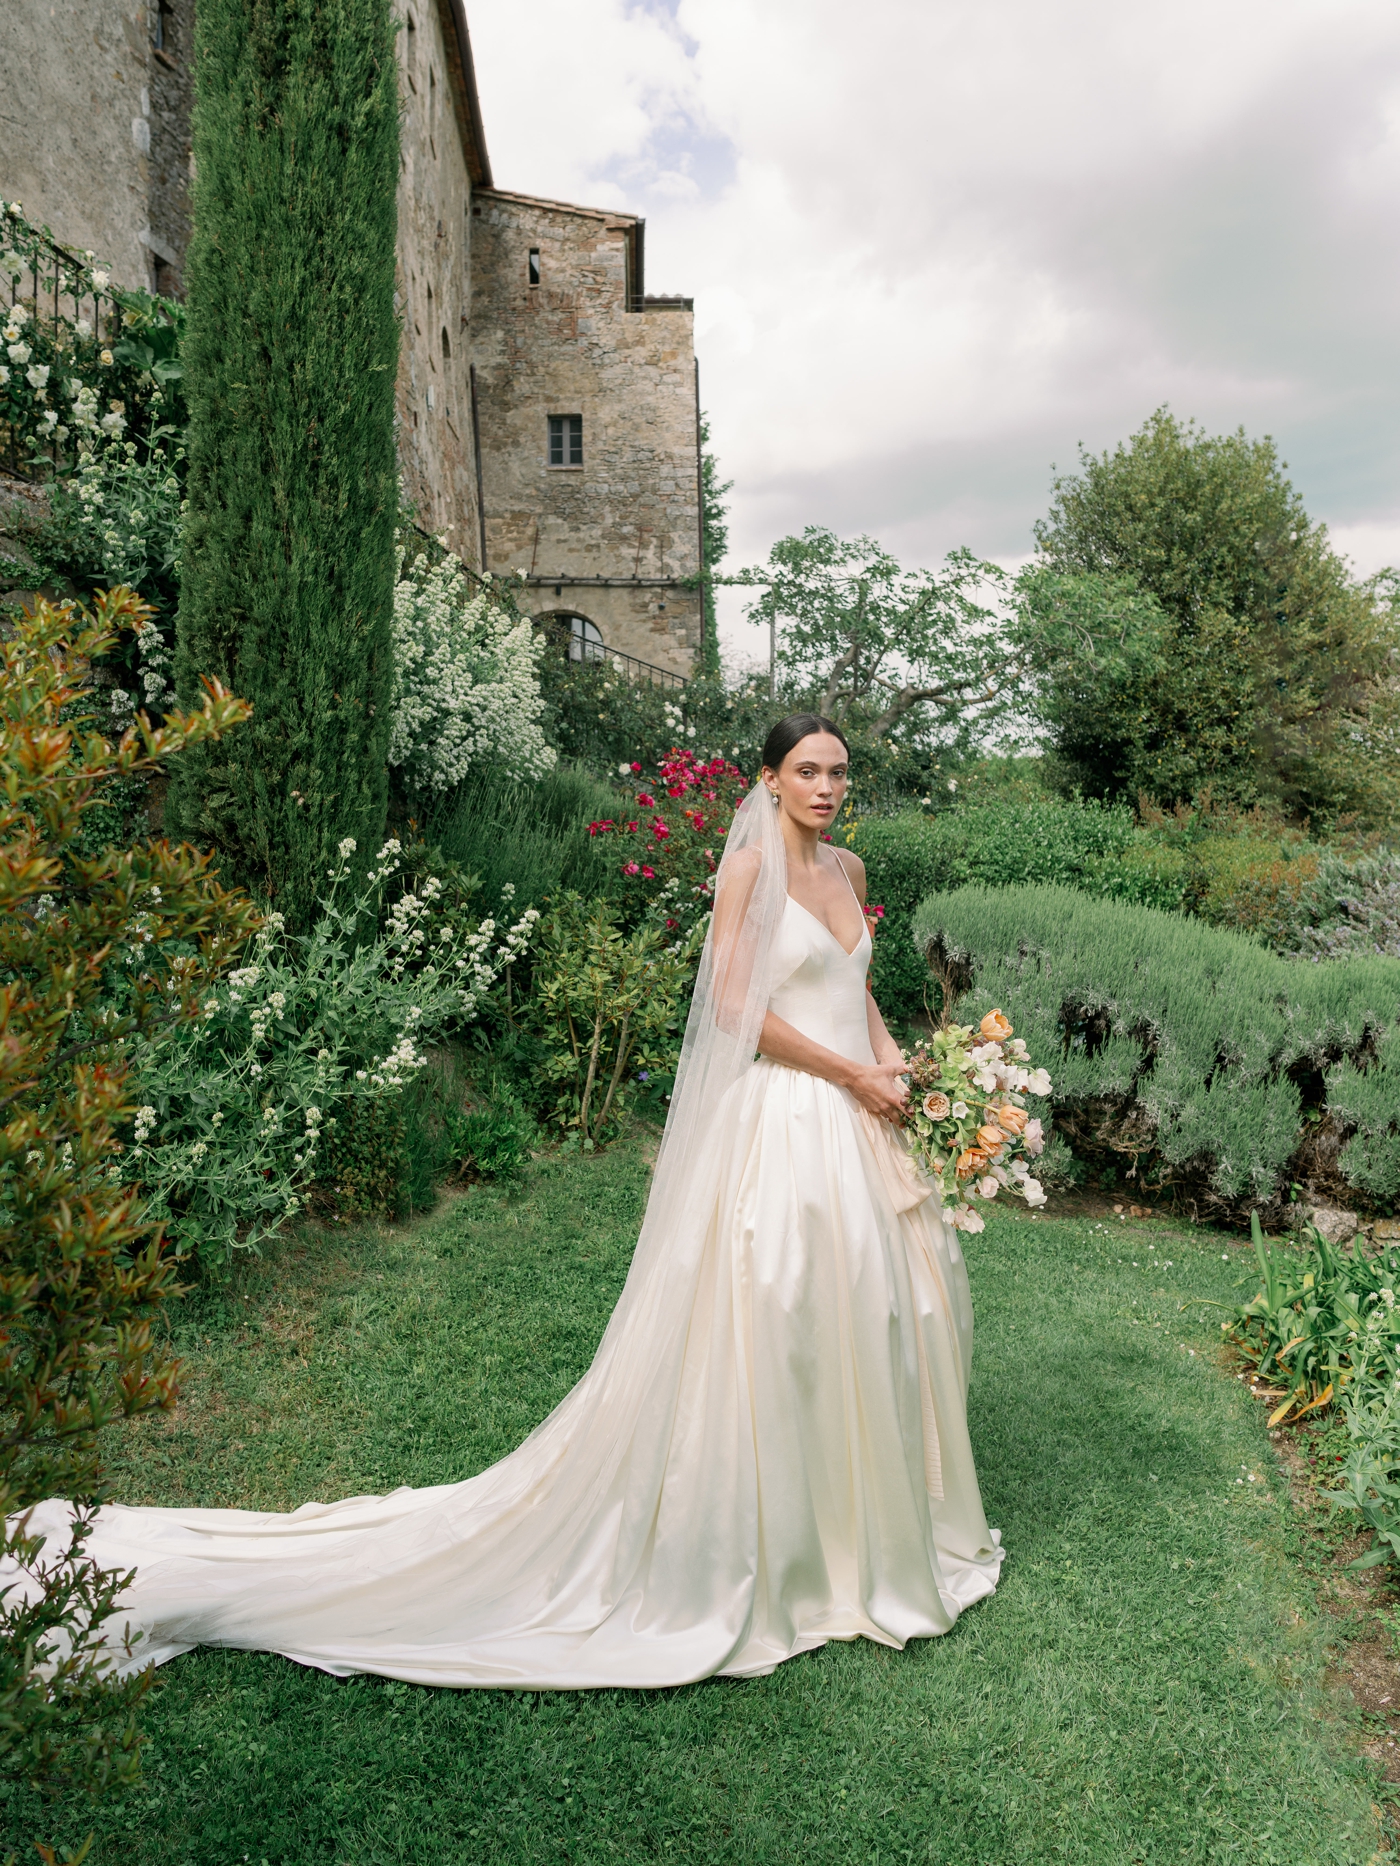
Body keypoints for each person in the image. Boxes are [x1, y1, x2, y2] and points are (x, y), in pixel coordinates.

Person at [9, 715, 1002, 1688]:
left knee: (863, 1311)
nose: (825, 787)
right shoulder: (751, 873)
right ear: (768, 781)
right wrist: (845, 1073)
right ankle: (759, 1544)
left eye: (837, 772)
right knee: (775, 1311)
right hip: (785, 1119)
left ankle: (848, 1537)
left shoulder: (851, 875)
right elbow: (739, 1012)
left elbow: (853, 986)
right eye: (806, 770)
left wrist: (892, 1065)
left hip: (855, 1120)